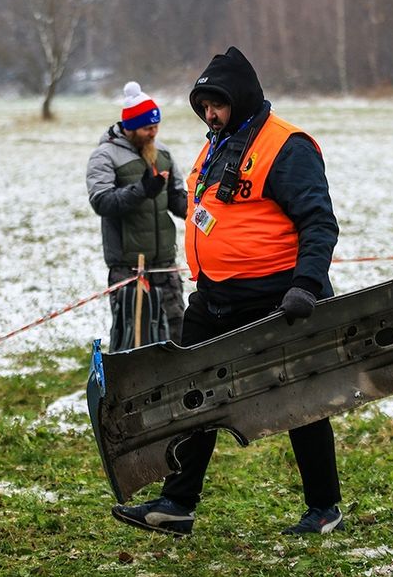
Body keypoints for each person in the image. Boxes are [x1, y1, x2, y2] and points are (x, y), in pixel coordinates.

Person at [110, 46, 343, 537]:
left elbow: (319, 222)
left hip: (275, 298)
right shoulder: (217, 143)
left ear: (241, 98)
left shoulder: (287, 146)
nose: (208, 114)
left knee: (299, 397)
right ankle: (177, 503)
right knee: (189, 393)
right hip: (213, 297)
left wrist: (306, 285)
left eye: (216, 105)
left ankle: (324, 507)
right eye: (203, 106)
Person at [86, 82, 187, 348]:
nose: (153, 133)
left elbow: (178, 199)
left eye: (156, 127)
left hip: (165, 267)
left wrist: (203, 209)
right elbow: (102, 201)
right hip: (129, 270)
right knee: (134, 345)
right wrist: (141, 190)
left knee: (178, 338)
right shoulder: (104, 156)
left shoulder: (162, 153)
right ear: (130, 127)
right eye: (147, 128)